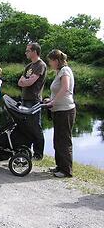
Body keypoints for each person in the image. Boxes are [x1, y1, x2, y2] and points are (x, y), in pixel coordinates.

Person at [45, 50, 76, 178]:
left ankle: (66, 170)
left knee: (64, 140)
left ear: (56, 60)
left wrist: (53, 101)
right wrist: (50, 100)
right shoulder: (59, 72)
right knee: (57, 139)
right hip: (59, 110)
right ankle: (60, 166)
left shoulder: (65, 71)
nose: (49, 64)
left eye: (50, 61)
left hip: (65, 110)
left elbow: (65, 88)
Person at [18, 42, 47, 160]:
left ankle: (38, 154)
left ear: (34, 51)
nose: (26, 53)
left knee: (35, 126)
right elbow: (20, 82)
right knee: (25, 127)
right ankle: (26, 151)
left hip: (34, 100)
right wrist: (25, 81)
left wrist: (25, 81)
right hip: (24, 99)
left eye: (28, 51)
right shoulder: (28, 66)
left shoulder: (40, 65)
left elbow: (30, 82)